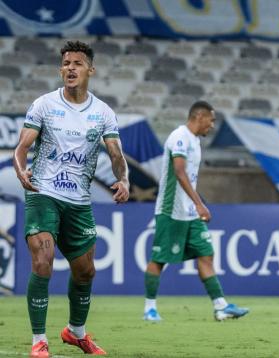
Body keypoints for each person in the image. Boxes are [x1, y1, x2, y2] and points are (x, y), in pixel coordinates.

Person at [13, 41, 130, 357]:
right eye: (66, 63)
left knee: (86, 271)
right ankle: (39, 339)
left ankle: (75, 333)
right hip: (43, 194)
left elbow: (116, 153)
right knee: (43, 261)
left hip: (79, 201)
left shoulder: (102, 112)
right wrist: (21, 170)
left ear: (90, 69)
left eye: (77, 63)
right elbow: (22, 147)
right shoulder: (44, 105)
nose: (70, 68)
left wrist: (124, 179)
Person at [143, 101, 249, 322]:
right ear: (199, 117)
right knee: (159, 259)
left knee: (206, 253)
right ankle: (149, 308)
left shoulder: (195, 141)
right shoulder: (179, 137)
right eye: (211, 121)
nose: (211, 126)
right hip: (171, 210)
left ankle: (220, 307)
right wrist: (200, 202)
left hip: (190, 212)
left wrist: (195, 205)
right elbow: (179, 172)